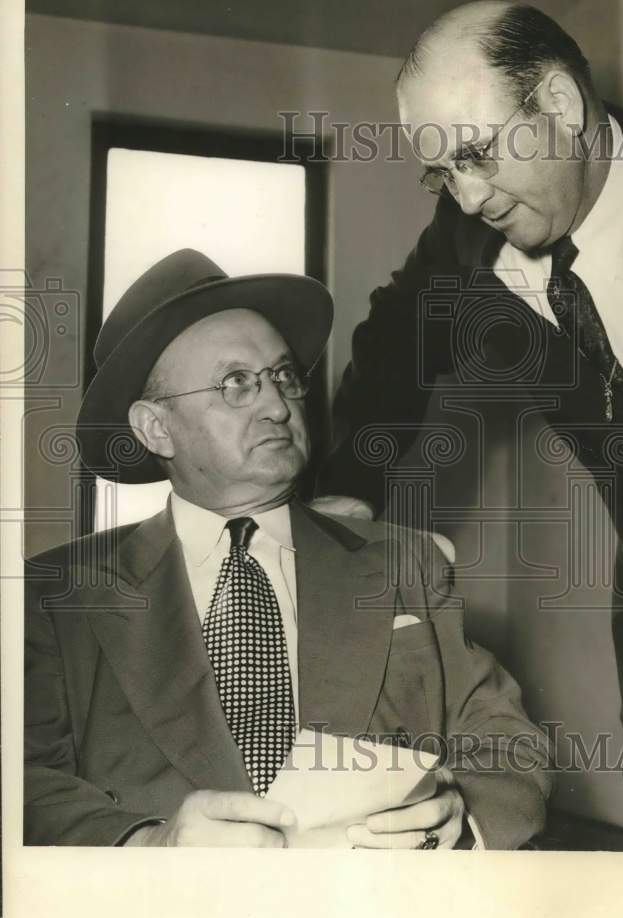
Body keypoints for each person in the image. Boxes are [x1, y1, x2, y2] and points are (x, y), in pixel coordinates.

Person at [315, 1, 623, 852]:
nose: (468, 198)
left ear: (559, 101)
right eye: (442, 174)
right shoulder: (465, 241)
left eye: (474, 155)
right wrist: (344, 500)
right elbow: (393, 347)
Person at [24, 247, 551, 849]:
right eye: (236, 385)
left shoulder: (405, 564)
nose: (278, 406)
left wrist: (463, 814)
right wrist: (148, 845)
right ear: (155, 428)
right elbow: (24, 778)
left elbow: (507, 740)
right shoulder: (56, 595)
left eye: (283, 377)